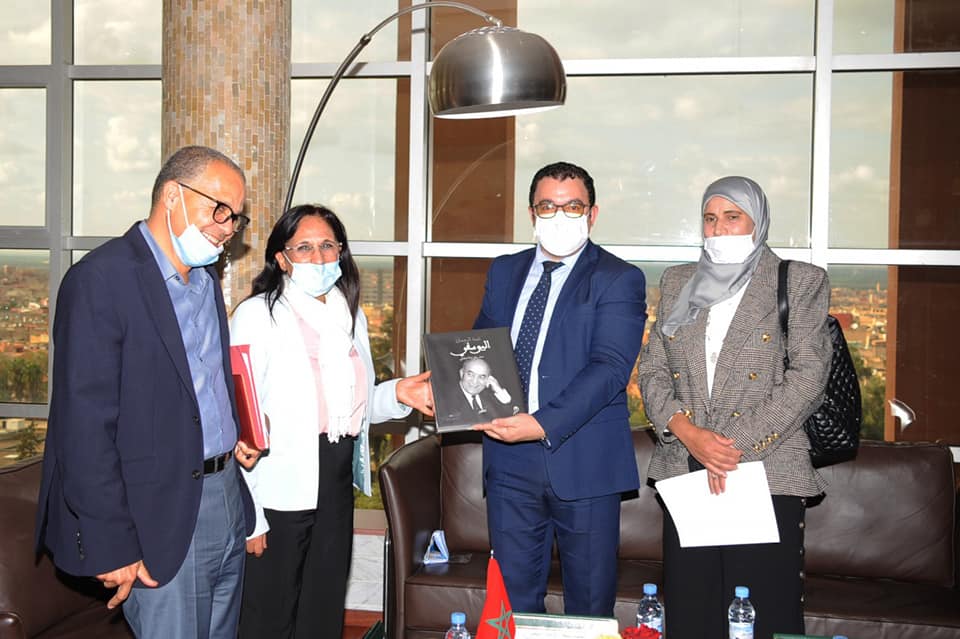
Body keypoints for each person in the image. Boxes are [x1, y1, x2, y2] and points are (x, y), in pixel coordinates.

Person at [34, 145, 261, 639]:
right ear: (172, 196)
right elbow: (84, 428)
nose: (227, 227)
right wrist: (111, 543)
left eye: (236, 217)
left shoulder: (205, 282)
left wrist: (235, 431)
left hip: (225, 496)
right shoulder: (101, 280)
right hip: (158, 514)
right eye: (219, 209)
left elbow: (201, 386)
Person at [637, 175, 832, 639]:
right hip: (686, 471)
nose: (719, 229)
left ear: (757, 222)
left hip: (767, 472)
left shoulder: (800, 281)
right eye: (710, 218)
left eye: (732, 217)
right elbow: (653, 370)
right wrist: (690, 435)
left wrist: (728, 448)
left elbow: (809, 378)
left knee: (761, 614)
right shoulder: (679, 281)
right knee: (692, 613)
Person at [230, 204, 434, 639]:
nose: (318, 257)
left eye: (327, 245)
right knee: (268, 614)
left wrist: (399, 393)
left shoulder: (350, 314)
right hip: (277, 484)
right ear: (281, 257)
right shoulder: (257, 315)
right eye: (303, 247)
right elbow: (239, 418)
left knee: (322, 608)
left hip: (335, 476)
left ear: (341, 252)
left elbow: (353, 405)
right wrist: (250, 515)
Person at [472, 161, 647, 616]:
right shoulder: (504, 271)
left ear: (592, 214)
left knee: (588, 607)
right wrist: (455, 392)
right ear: (532, 213)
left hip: (584, 460)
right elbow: (480, 349)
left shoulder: (618, 278)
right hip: (509, 460)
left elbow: (610, 369)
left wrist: (541, 424)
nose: (560, 216)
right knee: (512, 605)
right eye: (548, 206)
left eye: (573, 207)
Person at [451, 356, 516, 423]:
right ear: (461, 373)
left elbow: (512, 417)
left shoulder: (490, 397)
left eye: (481, 377)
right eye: (470, 374)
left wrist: (499, 390)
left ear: (488, 379)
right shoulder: (446, 399)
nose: (475, 381)